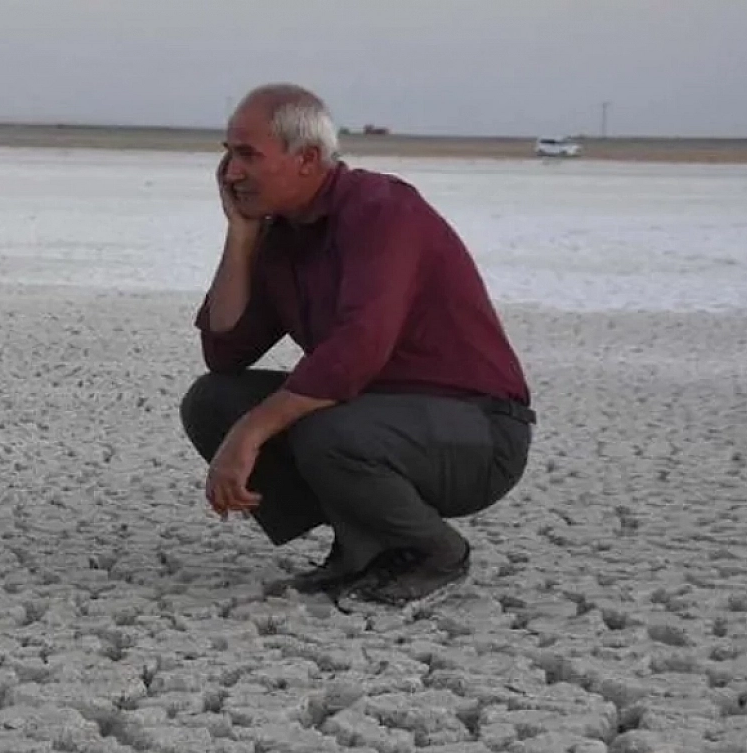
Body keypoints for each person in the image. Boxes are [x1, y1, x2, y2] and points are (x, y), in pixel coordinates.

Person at [179, 83, 536, 606]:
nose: (231, 173)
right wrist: (241, 236)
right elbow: (226, 352)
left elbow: (355, 352)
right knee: (214, 401)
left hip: (478, 433)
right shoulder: (284, 237)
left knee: (324, 426)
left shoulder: (382, 210)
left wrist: (250, 433)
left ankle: (434, 551)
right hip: (376, 419)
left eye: (248, 155)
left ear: (307, 158)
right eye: (228, 155)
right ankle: (360, 548)